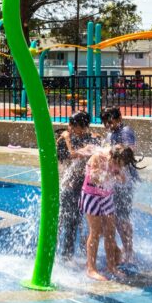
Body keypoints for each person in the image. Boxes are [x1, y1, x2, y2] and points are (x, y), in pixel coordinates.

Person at [80, 145, 141, 280]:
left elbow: (123, 180)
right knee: (95, 232)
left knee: (110, 232)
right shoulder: (98, 157)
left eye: (121, 165)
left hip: (107, 197)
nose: (118, 166)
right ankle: (91, 269)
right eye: (117, 163)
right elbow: (93, 178)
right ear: (113, 156)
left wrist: (119, 175)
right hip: (91, 196)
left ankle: (111, 266)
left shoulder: (118, 160)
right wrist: (110, 174)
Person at [57, 111, 100, 259]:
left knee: (75, 223)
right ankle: (54, 251)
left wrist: (67, 139)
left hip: (82, 188)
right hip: (68, 186)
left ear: (83, 126)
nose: (69, 127)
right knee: (61, 220)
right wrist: (62, 140)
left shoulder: (92, 139)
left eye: (73, 125)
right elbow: (59, 157)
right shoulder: (67, 138)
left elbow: (76, 155)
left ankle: (70, 255)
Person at [100, 107, 138, 264]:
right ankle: (124, 248)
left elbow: (129, 151)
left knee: (122, 217)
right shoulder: (111, 133)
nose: (107, 126)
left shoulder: (126, 131)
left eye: (109, 122)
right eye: (105, 123)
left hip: (124, 181)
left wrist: (111, 152)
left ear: (119, 119)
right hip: (114, 180)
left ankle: (129, 251)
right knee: (114, 217)